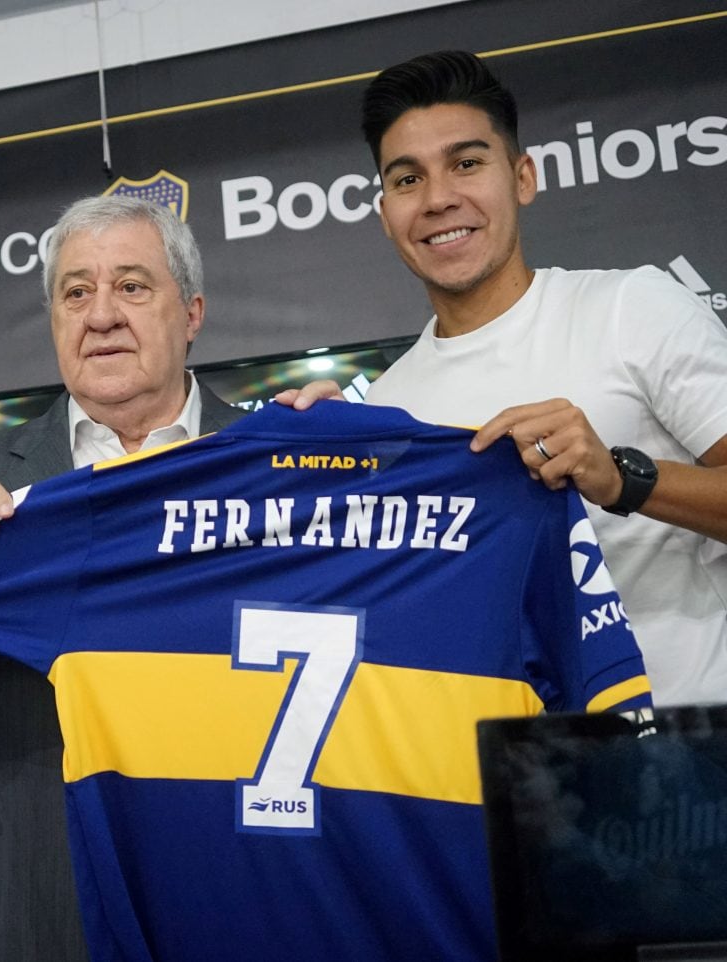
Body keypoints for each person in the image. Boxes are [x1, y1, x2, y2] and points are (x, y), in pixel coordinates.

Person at [277, 49, 727, 707]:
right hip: (516, 784)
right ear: (383, 213)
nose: (438, 199)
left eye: (466, 163)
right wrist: (321, 464)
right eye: (406, 180)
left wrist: (622, 477)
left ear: (522, 177)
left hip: (696, 760)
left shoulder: (632, 306)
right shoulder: (391, 410)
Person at [0, 195, 246, 962]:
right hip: (46, 903)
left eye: (132, 286)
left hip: (246, 888)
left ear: (191, 312)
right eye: (76, 292)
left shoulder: (279, 463)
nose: (101, 314)